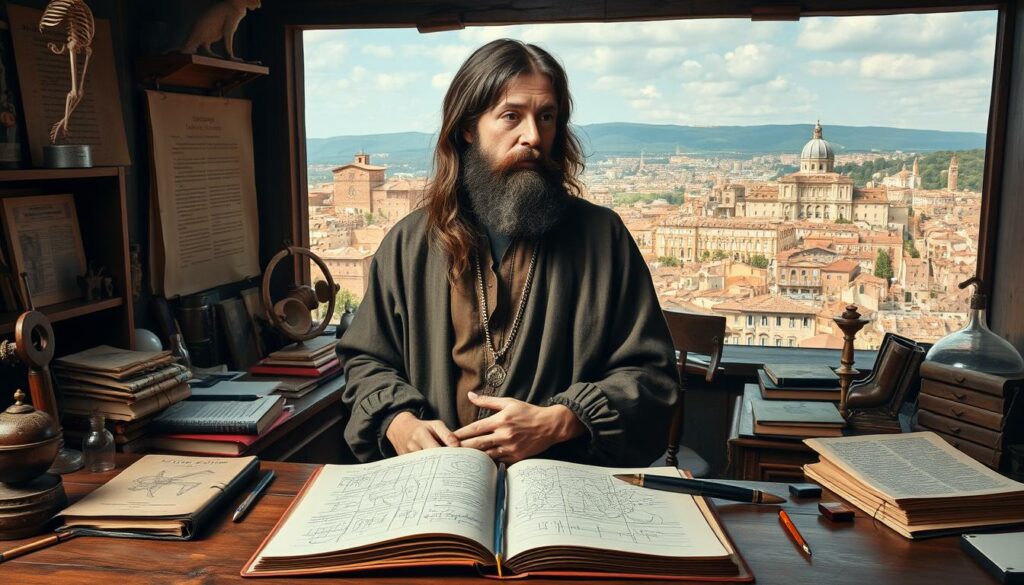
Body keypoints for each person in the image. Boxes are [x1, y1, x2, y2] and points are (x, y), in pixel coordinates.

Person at [337, 39, 677, 467]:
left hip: (561, 489)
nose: (533, 136)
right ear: (467, 127)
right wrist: (398, 422)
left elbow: (652, 377)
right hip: (435, 484)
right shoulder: (409, 244)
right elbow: (367, 359)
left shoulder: (602, 237)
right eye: (511, 116)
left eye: (546, 117)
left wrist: (563, 420)